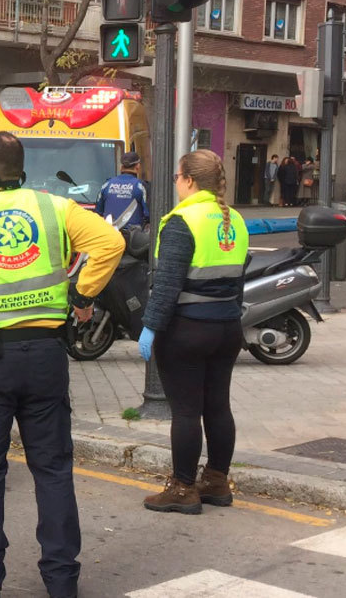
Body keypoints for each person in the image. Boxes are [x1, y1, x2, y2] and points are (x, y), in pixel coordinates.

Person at [0, 132, 125, 598]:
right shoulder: (54, 208)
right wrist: (81, 294)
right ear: (21, 170)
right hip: (46, 355)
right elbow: (110, 243)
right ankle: (61, 583)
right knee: (52, 470)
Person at [137, 150, 248, 516]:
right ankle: (216, 481)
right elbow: (238, 281)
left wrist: (150, 328)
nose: (175, 183)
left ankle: (183, 487)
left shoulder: (182, 220)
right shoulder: (235, 221)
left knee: (186, 412)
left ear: (188, 180)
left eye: (176, 176)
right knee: (218, 405)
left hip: (187, 330)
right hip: (227, 327)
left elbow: (167, 285)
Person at [96, 151, 149, 227]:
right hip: (132, 236)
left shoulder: (107, 184)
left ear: (121, 167)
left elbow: (98, 211)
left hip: (110, 233)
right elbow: (148, 214)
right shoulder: (140, 186)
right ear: (137, 166)